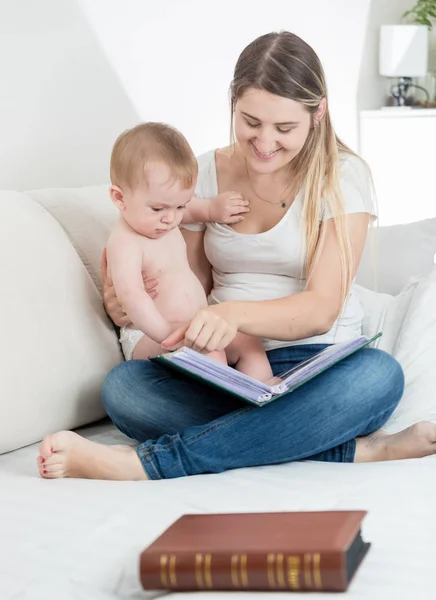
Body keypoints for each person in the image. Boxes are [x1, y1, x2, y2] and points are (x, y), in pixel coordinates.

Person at [37, 30, 436, 481]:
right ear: (233, 103)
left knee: (378, 378)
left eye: (284, 128)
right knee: (125, 390)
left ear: (318, 113)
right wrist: (127, 302)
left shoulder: (343, 177)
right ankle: (347, 449)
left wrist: (232, 315)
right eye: (251, 122)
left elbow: (321, 309)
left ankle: (149, 464)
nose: (265, 142)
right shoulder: (203, 172)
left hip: (314, 366)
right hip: (220, 367)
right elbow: (189, 285)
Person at [105, 121, 272, 383]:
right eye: (158, 209)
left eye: (179, 207)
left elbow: (195, 209)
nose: (171, 219)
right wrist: (166, 334)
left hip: (193, 324)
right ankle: (233, 397)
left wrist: (212, 209)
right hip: (149, 335)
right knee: (209, 349)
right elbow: (132, 296)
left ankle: (265, 388)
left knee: (246, 338)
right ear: (119, 198)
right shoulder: (126, 242)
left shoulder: (165, 218)